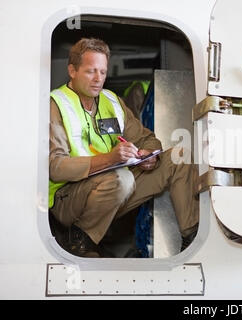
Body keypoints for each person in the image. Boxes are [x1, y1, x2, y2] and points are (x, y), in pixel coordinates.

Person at [49, 38, 199, 258]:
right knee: (121, 178)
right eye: (91, 71)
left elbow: (148, 139)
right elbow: (55, 167)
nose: (98, 79)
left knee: (179, 156)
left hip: (113, 189)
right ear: (72, 70)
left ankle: (192, 239)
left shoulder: (111, 100)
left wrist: (149, 157)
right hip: (68, 199)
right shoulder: (56, 104)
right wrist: (111, 159)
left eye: (103, 71)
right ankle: (79, 238)